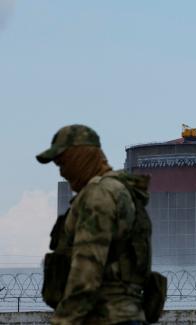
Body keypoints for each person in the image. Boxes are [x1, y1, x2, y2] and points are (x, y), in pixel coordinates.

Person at [36, 124, 152, 325]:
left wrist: (64, 320)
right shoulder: (118, 189)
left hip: (105, 317)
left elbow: (87, 268)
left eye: (63, 163)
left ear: (81, 157)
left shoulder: (99, 194)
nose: (62, 172)